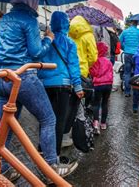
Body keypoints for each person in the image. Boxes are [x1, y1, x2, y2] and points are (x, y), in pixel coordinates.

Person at [0, 0, 76, 181]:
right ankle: (50, 169)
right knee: (48, 119)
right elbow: (37, 52)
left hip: (2, 78)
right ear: (30, 1)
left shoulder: (3, 21)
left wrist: (0, 73)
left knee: (5, 126)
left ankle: (1, 168)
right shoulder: (28, 20)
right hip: (23, 77)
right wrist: (48, 38)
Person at [39, 11, 83, 164]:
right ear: (65, 24)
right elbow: (73, 65)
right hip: (62, 85)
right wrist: (77, 86)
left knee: (45, 120)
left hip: (44, 85)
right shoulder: (69, 42)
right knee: (58, 122)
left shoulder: (45, 40)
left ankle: (41, 150)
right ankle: (54, 157)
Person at [64, 16, 98, 147]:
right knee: (78, 103)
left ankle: (65, 133)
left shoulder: (69, 31)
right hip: (81, 72)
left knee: (67, 104)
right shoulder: (88, 34)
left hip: (67, 71)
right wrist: (86, 65)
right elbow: (93, 56)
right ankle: (77, 133)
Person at [89, 42, 114, 134]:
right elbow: (112, 73)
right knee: (105, 103)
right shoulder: (108, 62)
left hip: (98, 84)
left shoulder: (96, 60)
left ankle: (95, 123)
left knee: (96, 104)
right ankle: (103, 123)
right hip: (108, 84)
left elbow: (94, 73)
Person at [119, 20, 139, 97]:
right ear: (137, 24)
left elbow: (119, 42)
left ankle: (127, 92)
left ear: (130, 23)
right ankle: (136, 90)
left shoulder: (125, 32)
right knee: (137, 73)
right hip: (137, 55)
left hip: (127, 54)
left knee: (127, 73)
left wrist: (125, 48)